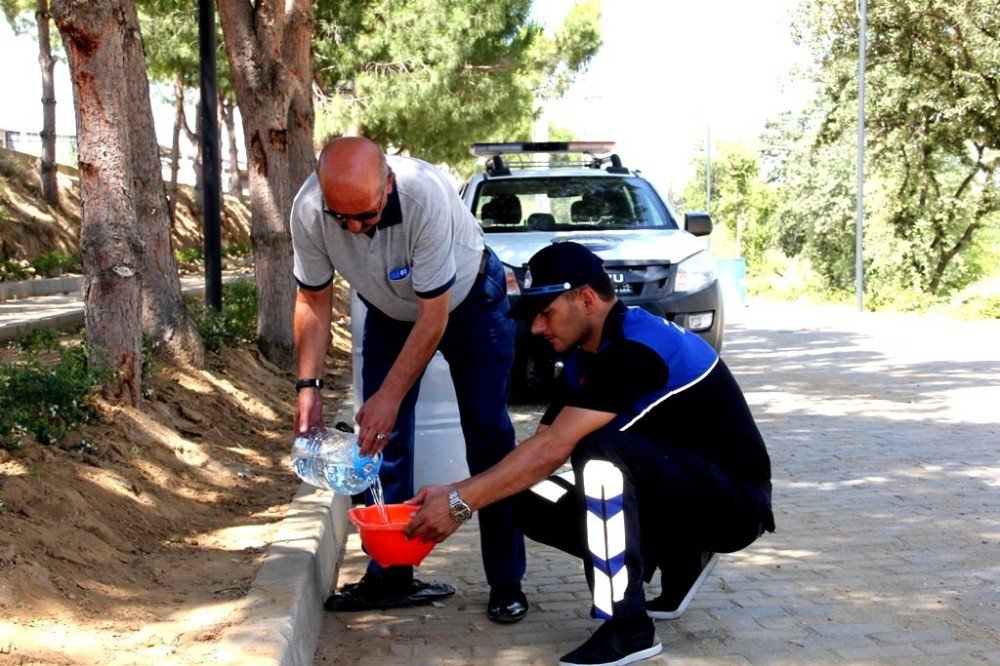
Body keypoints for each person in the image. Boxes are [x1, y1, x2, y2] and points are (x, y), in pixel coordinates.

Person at [405, 242, 775, 665]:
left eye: (547, 313)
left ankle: (628, 627)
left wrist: (458, 505)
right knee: (518, 492)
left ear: (586, 299)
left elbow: (555, 448)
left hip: (734, 505)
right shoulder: (589, 355)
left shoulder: (637, 347)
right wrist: (457, 491)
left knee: (599, 457)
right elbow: (537, 449)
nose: (537, 329)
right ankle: (680, 557)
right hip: (682, 491)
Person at [290, 136, 527, 622]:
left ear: (389, 186)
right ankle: (391, 576)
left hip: (467, 303)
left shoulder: (425, 196)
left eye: (366, 216)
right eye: (342, 219)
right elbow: (313, 298)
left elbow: (433, 317)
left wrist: (389, 396)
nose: (354, 229)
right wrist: (308, 388)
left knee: (488, 436)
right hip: (389, 308)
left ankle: (507, 579)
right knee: (381, 443)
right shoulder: (309, 208)